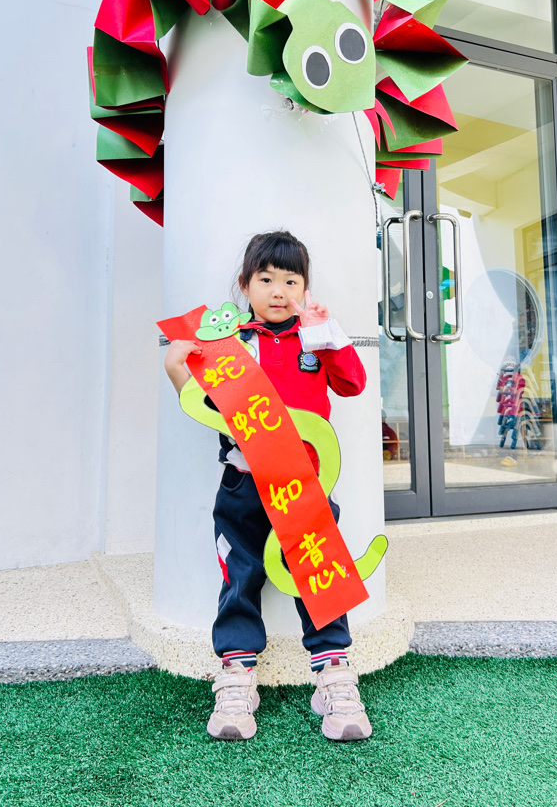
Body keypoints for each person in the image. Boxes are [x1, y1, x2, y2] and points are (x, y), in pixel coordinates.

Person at [163, 230, 372, 742]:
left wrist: (329, 333)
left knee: (319, 575)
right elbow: (205, 407)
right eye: (266, 279)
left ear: (305, 288)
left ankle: (334, 675)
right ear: (245, 285)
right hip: (244, 483)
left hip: (305, 483)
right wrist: (175, 369)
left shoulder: (314, 338)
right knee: (239, 575)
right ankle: (237, 676)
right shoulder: (229, 343)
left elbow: (353, 384)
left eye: (290, 281)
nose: (278, 291)